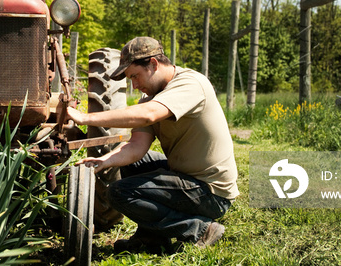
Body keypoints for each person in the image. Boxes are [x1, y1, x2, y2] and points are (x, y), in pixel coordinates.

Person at [65, 36, 239, 253]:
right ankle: (151, 237)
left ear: (154, 64)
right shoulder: (150, 99)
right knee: (128, 163)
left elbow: (148, 116)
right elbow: (136, 146)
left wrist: (85, 118)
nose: (134, 85)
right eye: (130, 79)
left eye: (135, 76)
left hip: (211, 192)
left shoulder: (190, 83)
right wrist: (104, 160)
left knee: (120, 192)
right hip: (186, 177)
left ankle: (200, 229)